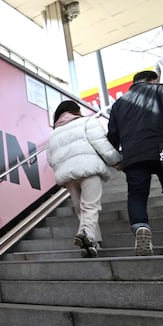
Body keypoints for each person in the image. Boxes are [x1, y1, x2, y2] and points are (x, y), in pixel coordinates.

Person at [106, 70, 163, 256]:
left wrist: (118, 158)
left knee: (136, 194)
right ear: (154, 80)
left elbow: (112, 134)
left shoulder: (119, 103)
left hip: (133, 154)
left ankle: (141, 228)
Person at [47, 100, 122, 257]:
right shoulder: (87, 122)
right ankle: (87, 234)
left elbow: (50, 158)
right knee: (90, 206)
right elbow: (101, 143)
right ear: (75, 111)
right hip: (88, 169)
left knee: (81, 209)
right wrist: (116, 160)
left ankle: (93, 243)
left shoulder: (54, 133)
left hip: (68, 176)